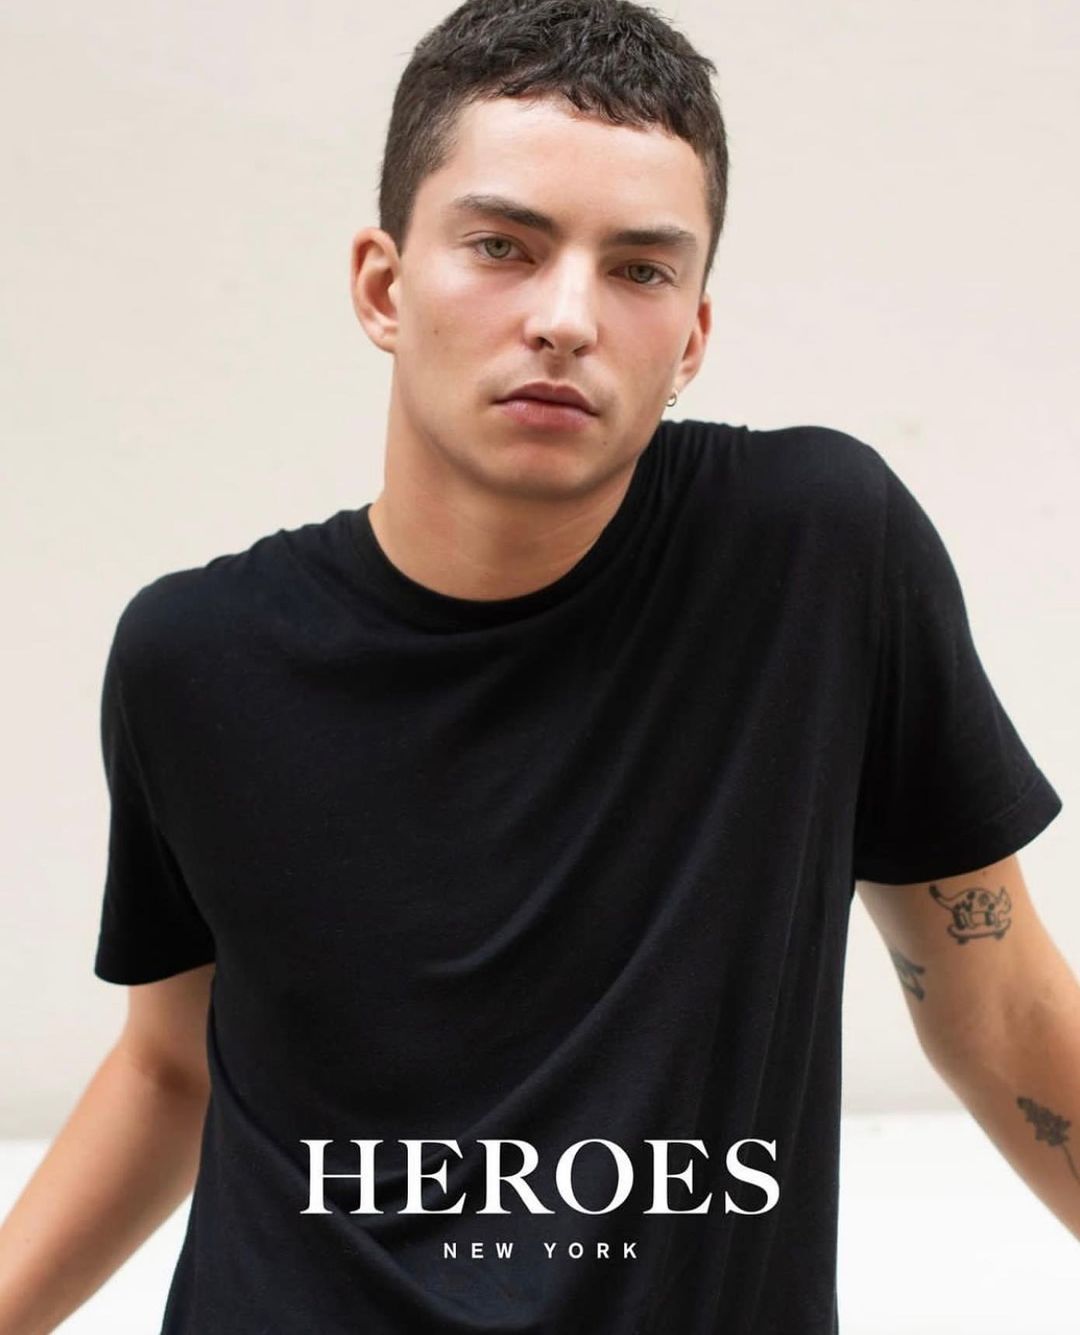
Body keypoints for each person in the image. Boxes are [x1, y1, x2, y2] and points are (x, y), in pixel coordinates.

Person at [1, 1, 1076, 1331]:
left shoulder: (817, 557)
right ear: (384, 287)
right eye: (503, 246)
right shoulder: (196, 660)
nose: (566, 317)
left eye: (638, 269)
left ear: (692, 335)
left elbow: (1001, 1003)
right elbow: (173, 1069)